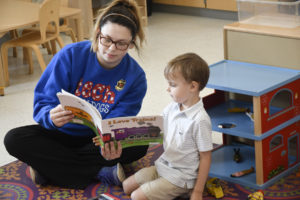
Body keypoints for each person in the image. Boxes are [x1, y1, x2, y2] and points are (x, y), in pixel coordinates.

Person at [4, 0, 148, 189]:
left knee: (140, 143)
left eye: (121, 44)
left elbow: (119, 119)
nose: (111, 49)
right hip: (60, 134)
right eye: (107, 39)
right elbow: (43, 102)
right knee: (14, 139)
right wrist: (50, 117)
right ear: (98, 34)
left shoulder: (135, 77)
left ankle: (49, 168)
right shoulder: (71, 54)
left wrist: (110, 141)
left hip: (96, 142)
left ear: (131, 44)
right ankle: (100, 171)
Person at [122, 53, 213, 200]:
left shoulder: (200, 120)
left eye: (173, 84)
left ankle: (186, 190)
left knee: (136, 196)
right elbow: (154, 130)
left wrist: (198, 191)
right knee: (127, 186)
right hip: (163, 166)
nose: (168, 89)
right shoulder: (172, 107)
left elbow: (206, 157)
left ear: (193, 86)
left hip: (181, 177)